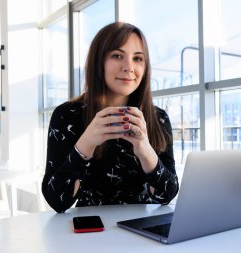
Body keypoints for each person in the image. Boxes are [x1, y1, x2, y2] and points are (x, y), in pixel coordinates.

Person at [42, 22, 179, 213]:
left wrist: (144, 149)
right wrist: (85, 144)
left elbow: (167, 196)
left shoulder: (158, 118)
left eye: (138, 58)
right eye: (117, 56)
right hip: (90, 231)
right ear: (99, 61)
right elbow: (57, 201)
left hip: (142, 230)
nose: (129, 67)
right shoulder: (67, 115)